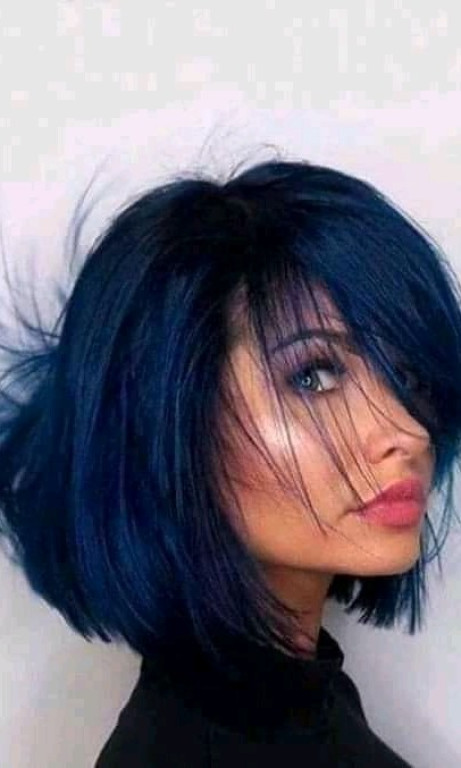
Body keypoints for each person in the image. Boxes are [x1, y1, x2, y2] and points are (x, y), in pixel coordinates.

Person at [0, 156, 460, 767]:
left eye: (407, 376)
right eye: (314, 376)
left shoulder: (297, 704)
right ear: (171, 422)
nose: (407, 430)